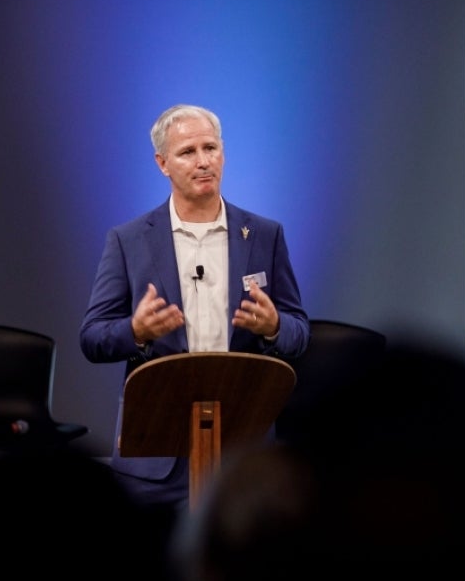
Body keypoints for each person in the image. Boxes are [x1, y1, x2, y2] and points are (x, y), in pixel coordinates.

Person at [79, 103, 309, 523]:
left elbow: (300, 333)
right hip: (157, 455)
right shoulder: (129, 240)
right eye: (187, 152)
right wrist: (136, 330)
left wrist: (274, 326)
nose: (203, 161)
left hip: (244, 454)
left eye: (211, 148)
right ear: (162, 163)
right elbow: (92, 338)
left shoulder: (264, 235)